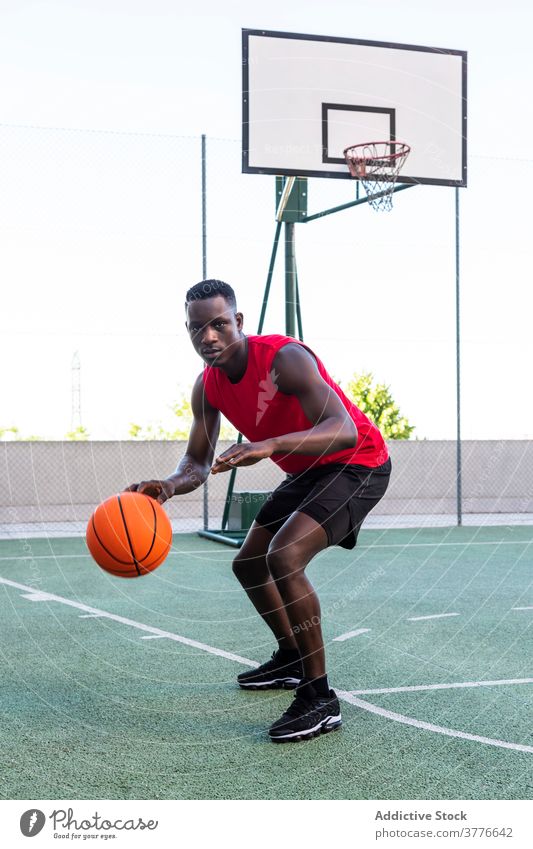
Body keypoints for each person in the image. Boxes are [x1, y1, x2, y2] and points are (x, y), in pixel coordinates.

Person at [127, 279, 391, 743]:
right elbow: (197, 462)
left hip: (358, 463)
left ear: (238, 322)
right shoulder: (208, 387)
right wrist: (168, 485)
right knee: (248, 563)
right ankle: (291, 657)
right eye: (196, 329)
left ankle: (319, 697)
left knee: (283, 558)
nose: (208, 337)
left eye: (218, 324)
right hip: (308, 472)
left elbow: (344, 430)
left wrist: (269, 445)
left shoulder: (284, 359)